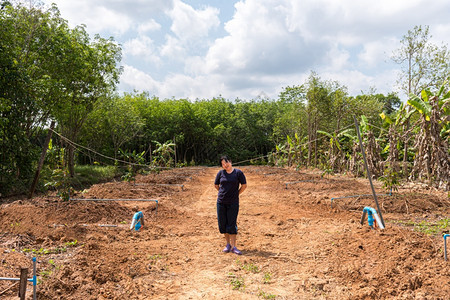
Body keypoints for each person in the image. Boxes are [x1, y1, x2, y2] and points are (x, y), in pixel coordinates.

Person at [214, 155, 247, 255]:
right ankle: (227, 244)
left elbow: (244, 185)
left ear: (231, 161)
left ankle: (233, 246)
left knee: (232, 224)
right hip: (221, 203)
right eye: (223, 164)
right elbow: (216, 185)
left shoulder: (238, 173)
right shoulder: (220, 173)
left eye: (226, 163)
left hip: (233, 203)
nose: (225, 165)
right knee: (223, 223)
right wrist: (222, 193)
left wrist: (236, 193)